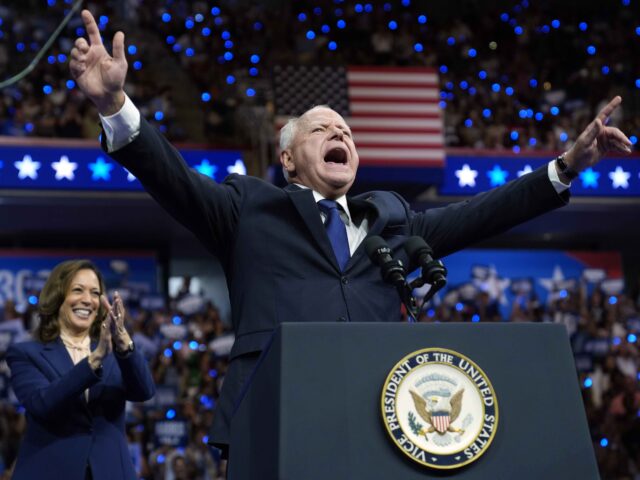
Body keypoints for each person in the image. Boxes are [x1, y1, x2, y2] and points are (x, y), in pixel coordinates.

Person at [69, 10, 632, 457]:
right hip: (275, 416)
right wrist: (114, 104)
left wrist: (564, 166)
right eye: (322, 129)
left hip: (380, 422)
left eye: (346, 130)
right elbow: (174, 178)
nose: (339, 131)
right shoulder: (250, 206)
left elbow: (482, 213)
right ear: (288, 159)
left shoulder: (391, 218)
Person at [6, 260, 155, 479]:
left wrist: (124, 345)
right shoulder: (26, 353)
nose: (87, 300)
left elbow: (144, 391)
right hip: (50, 471)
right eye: (78, 290)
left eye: (95, 293)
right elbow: (42, 404)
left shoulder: (116, 352)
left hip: (111, 471)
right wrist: (94, 360)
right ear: (57, 297)